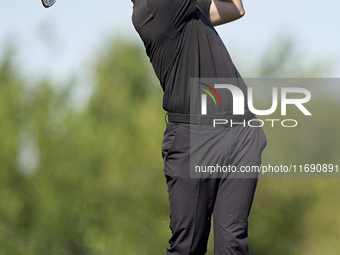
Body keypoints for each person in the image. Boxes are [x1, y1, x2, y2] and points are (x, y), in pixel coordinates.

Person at [131, 0, 267, 254]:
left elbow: (235, 8)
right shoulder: (154, 9)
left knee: (233, 245)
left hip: (241, 131)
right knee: (188, 247)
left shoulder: (186, 9)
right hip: (193, 140)